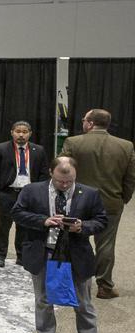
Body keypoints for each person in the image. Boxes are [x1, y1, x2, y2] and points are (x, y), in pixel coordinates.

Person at [12, 155, 107, 333]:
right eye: (60, 181)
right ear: (50, 173)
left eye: (69, 181)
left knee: (83, 304)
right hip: (43, 253)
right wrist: (43, 221)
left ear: (76, 175)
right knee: (43, 301)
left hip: (76, 255)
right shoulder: (32, 190)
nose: (64, 185)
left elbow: (101, 221)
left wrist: (82, 227)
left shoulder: (90, 193)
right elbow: (17, 213)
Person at [61, 109, 135, 299]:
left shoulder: (73, 142)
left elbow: (62, 171)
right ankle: (105, 286)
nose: (83, 123)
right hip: (111, 202)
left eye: (84, 120)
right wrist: (122, 199)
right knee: (106, 245)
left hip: (78, 201)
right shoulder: (126, 146)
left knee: (73, 240)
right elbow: (130, 179)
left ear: (91, 123)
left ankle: (71, 281)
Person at [0, 121, 48, 267]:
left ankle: (21, 255)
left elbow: (43, 172)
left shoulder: (38, 150)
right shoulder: (1, 148)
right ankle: (0, 255)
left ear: (30, 134)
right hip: (7, 193)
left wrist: (39, 191)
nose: (21, 135)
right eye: (18, 131)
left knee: (24, 225)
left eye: (25, 132)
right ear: (12, 132)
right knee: (4, 224)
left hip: (28, 194)